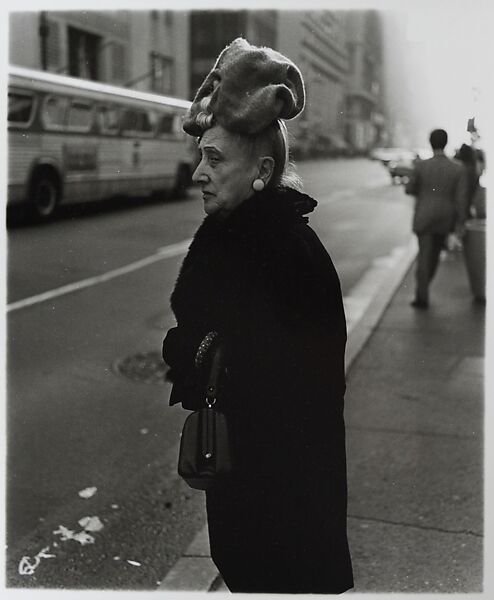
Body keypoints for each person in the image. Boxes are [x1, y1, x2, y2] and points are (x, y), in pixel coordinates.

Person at [162, 38, 353, 593]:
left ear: (263, 170)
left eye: (215, 159)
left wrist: (191, 351)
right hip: (257, 499)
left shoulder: (284, 254)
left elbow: (287, 388)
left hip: (281, 510)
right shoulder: (248, 240)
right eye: (202, 155)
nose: (199, 172)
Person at [405, 128, 468, 309]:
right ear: (445, 142)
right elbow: (461, 199)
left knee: (425, 256)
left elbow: (409, 189)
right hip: (445, 218)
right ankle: (424, 288)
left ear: (431, 142)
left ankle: (422, 295)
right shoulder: (458, 168)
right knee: (433, 257)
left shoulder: (421, 166)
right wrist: (461, 222)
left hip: (424, 216)